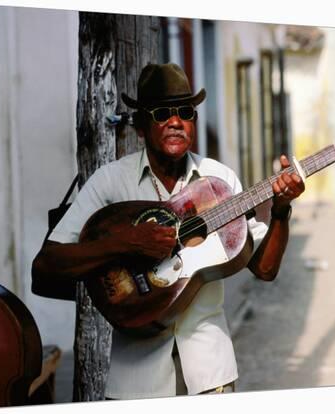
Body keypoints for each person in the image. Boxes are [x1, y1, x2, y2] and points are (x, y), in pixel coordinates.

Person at [31, 63, 304, 399]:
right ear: (142, 126)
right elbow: (47, 262)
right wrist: (125, 242)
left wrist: (281, 210)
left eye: (185, 111)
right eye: (162, 113)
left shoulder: (218, 181)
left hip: (210, 375)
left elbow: (264, 268)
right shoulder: (111, 182)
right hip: (135, 382)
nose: (176, 121)